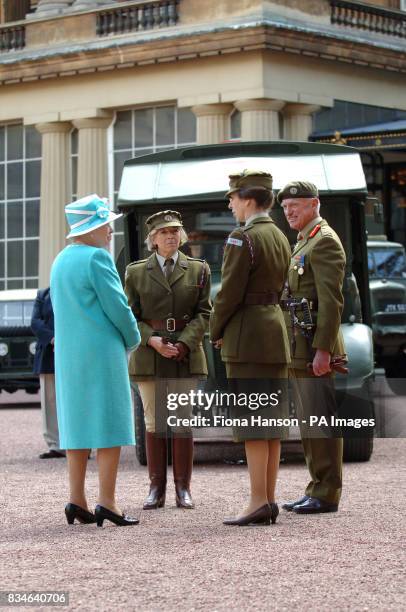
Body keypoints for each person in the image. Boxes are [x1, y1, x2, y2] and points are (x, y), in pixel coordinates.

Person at [50, 194, 141, 527]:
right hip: (101, 352)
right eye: (105, 224)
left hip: (70, 355)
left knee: (76, 425)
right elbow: (117, 307)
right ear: (91, 228)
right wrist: (134, 339)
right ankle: (108, 502)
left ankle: (76, 499)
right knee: (110, 425)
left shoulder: (60, 260)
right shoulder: (97, 259)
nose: (109, 231)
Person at [210, 170, 291, 526]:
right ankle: (268, 499)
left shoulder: (242, 238)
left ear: (248, 199)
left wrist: (215, 327)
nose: (230, 205)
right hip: (274, 332)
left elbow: (228, 293)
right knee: (270, 421)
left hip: (247, 335)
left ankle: (259, 499)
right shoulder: (279, 234)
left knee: (252, 420)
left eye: (232, 198)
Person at [125, 210, 211, 510]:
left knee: (181, 421)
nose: (171, 236)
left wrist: (185, 343)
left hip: (184, 353)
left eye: (175, 231)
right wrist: (151, 339)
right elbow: (130, 316)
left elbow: (204, 313)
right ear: (153, 240)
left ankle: (183, 489)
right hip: (150, 353)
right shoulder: (135, 272)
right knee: (155, 422)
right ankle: (156, 488)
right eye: (164, 232)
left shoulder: (198, 269)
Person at [278, 181, 346, 514]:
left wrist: (323, 350)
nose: (289, 211)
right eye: (286, 207)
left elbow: (332, 303)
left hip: (315, 346)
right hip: (299, 344)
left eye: (296, 205)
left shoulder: (324, 242)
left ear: (315, 204)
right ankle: (315, 486)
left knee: (321, 417)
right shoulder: (304, 241)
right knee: (308, 419)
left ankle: (327, 492)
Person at [31, 287, 65, 459]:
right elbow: (35, 322)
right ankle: (55, 445)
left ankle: (80, 445)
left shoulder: (75, 290)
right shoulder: (42, 295)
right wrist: (53, 338)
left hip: (72, 350)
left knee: (75, 400)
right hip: (47, 354)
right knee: (49, 400)